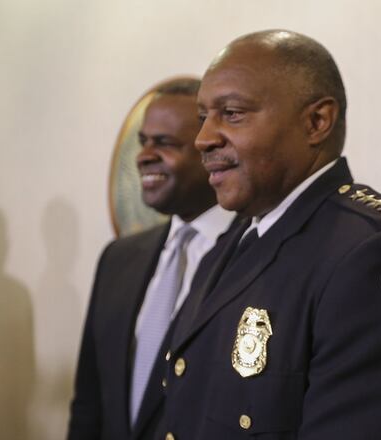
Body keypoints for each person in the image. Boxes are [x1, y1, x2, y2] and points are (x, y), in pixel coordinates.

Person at [159, 30, 381, 439]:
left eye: (232, 113)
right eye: (204, 117)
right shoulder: (234, 238)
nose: (203, 139)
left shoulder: (376, 251)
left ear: (316, 122)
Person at [67, 78, 237, 440]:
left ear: (211, 149)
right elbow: (89, 403)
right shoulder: (118, 259)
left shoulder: (252, 257)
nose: (144, 156)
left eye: (165, 143)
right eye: (144, 141)